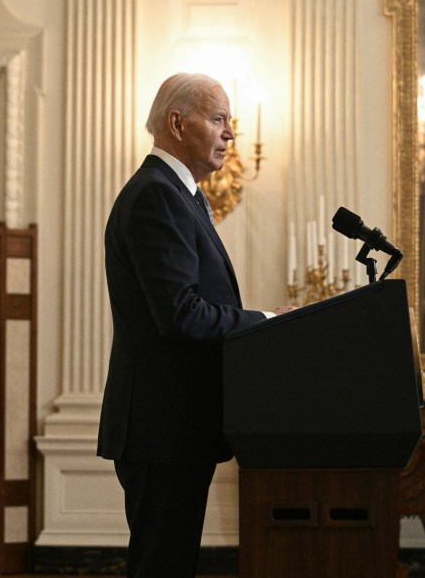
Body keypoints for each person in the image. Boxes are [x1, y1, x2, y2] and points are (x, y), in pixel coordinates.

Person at [98, 72, 294, 578]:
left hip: (175, 425)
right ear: (178, 123)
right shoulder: (156, 195)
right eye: (219, 119)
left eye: (231, 122)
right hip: (162, 426)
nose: (231, 134)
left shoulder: (179, 195)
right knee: (162, 566)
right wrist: (268, 322)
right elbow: (181, 314)